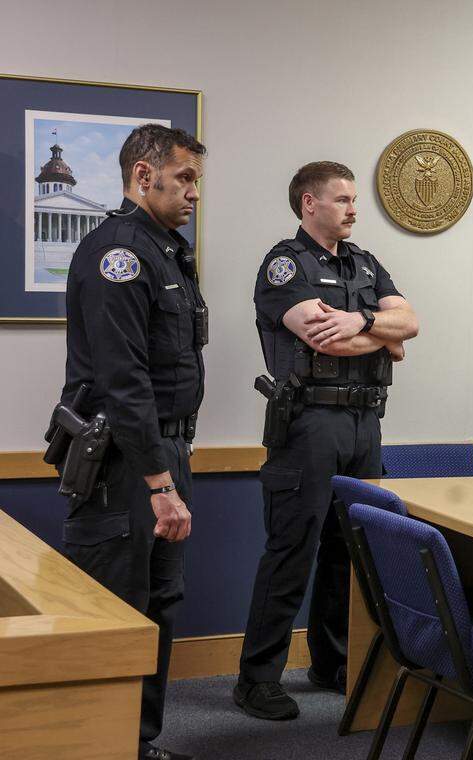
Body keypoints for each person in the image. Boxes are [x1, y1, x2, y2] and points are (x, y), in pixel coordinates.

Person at [235, 162, 418, 720]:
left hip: (366, 422)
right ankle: (257, 679)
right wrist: (377, 335)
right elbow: (324, 341)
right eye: (341, 200)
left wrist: (360, 323)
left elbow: (409, 326)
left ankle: (330, 661)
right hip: (310, 422)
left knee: (350, 548)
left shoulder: (365, 262)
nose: (353, 209)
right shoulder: (284, 264)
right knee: (293, 548)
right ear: (309, 204)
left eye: (353, 200)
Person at [55, 123, 206, 760]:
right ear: (144, 176)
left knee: (160, 602)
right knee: (118, 609)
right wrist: (160, 485)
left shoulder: (166, 249)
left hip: (165, 453)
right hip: (126, 463)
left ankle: (136, 743)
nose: (196, 193)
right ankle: (97, 745)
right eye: (187, 178)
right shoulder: (118, 252)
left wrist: (170, 472)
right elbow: (124, 382)